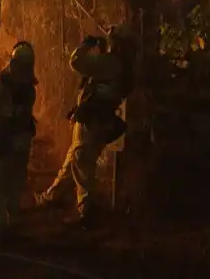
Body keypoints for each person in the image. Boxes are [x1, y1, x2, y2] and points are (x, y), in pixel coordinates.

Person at [35, 25, 135, 227]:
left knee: (82, 163)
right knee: (75, 158)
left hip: (93, 120)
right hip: (99, 119)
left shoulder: (111, 63)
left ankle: (87, 211)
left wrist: (86, 44)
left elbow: (76, 61)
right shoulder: (121, 65)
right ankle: (52, 196)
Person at [0, 40, 38, 241]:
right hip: (22, 143)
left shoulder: (0, 87)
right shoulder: (29, 89)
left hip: (4, 144)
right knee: (15, 183)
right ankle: (13, 222)